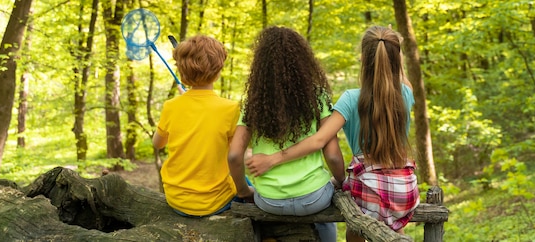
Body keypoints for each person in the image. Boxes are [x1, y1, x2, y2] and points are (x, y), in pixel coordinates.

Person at [245, 25, 420, 242]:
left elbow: (319, 139)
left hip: (368, 190)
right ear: (396, 59)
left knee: (356, 228)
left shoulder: (350, 99)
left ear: (363, 60)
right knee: (394, 227)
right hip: (405, 189)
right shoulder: (406, 92)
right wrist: (394, 46)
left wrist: (273, 159)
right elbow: (398, 74)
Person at [228, 26, 345, 242]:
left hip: (269, 200)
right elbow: (334, 156)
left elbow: (234, 156)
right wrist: (341, 181)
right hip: (314, 198)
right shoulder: (317, 97)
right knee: (325, 219)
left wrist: (244, 191)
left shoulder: (252, 104)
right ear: (302, 61)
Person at [153, 34, 251, 217]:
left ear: (182, 71)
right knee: (249, 186)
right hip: (215, 202)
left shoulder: (171, 107)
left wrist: (186, 103)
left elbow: (157, 144)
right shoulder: (230, 109)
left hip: (176, 200)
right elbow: (234, 154)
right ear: (218, 70)